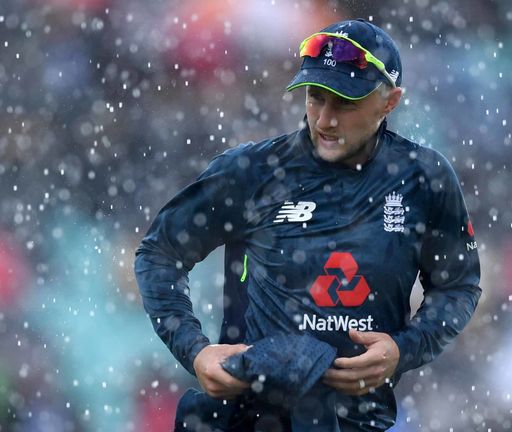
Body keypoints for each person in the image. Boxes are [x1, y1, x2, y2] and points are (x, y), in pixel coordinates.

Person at [135, 18, 482, 431]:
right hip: (252, 419)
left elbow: (458, 285)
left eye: (345, 103)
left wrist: (403, 350)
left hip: (357, 422)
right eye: (316, 97)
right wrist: (194, 350)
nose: (324, 120)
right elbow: (159, 253)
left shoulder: (425, 180)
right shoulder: (252, 172)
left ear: (390, 102)